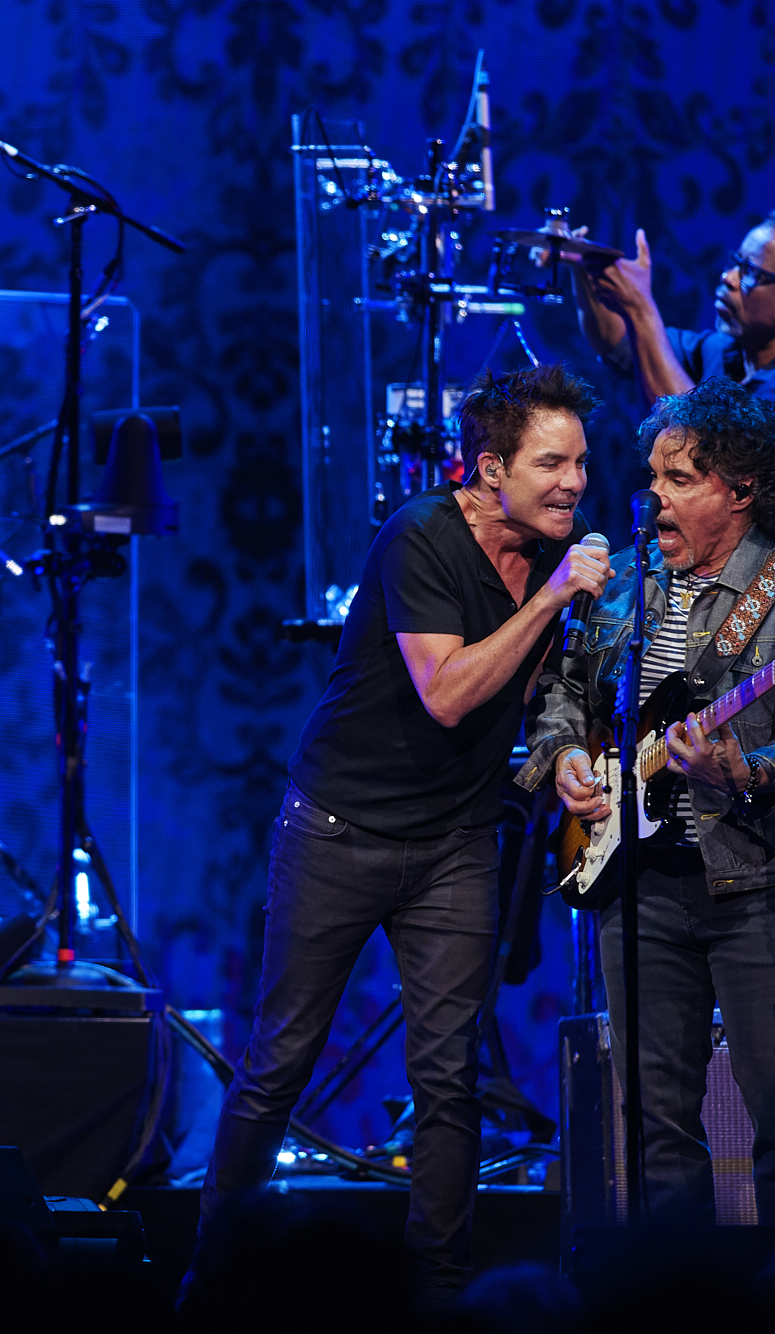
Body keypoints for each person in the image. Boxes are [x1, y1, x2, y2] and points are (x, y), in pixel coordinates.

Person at [198, 364, 613, 1296]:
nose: (575, 484)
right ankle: (211, 1279)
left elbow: (555, 699)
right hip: (342, 830)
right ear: (487, 469)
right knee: (279, 1064)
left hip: (457, 842)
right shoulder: (420, 536)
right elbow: (449, 694)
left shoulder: (560, 555)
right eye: (552, 464)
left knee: (448, 1078)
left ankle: (439, 1294)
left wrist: (573, 761)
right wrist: (551, 602)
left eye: (582, 463)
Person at [521, 376, 775, 1225]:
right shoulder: (624, 581)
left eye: (678, 478)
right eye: (653, 476)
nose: (653, 495)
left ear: (741, 489)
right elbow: (562, 689)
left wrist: (734, 773)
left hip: (757, 885)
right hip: (635, 888)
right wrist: (563, 754)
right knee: (654, 1124)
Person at [570, 210, 775, 473]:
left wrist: (640, 308)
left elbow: (702, 450)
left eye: (750, 273)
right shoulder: (729, 351)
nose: (728, 278)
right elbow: (617, 340)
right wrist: (582, 267)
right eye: (735, 264)